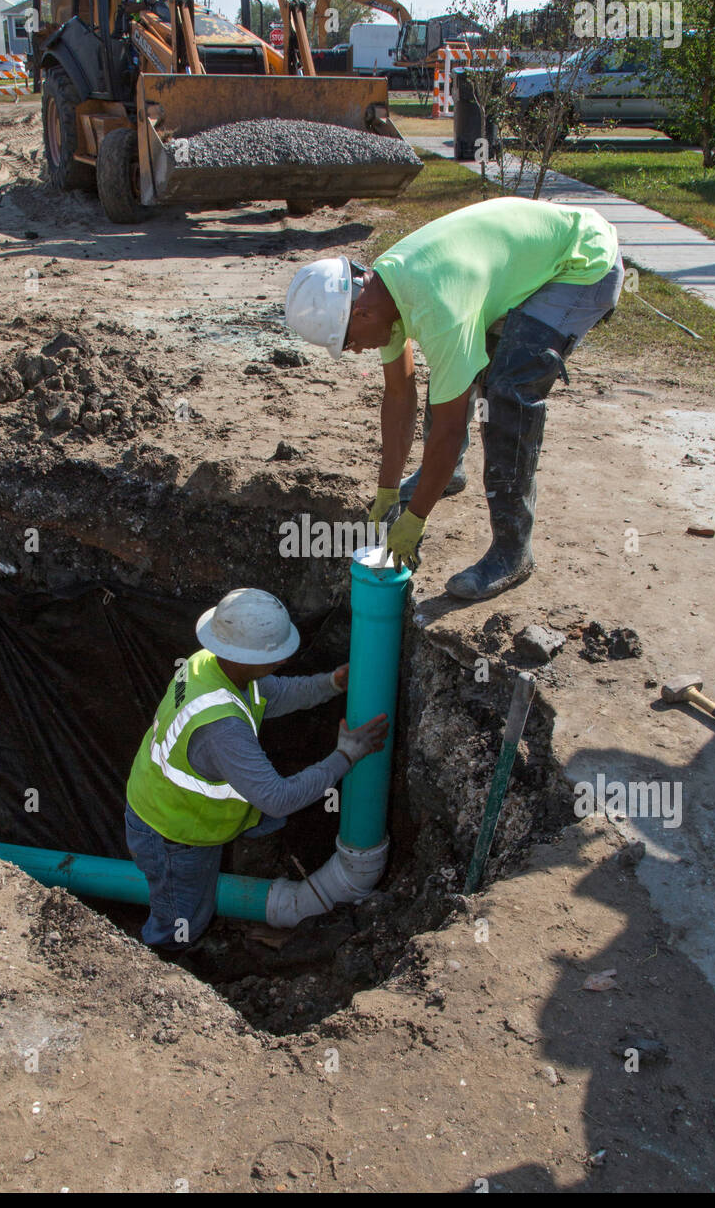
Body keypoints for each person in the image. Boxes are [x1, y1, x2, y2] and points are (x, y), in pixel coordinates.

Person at [284, 196, 624, 601]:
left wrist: (415, 519)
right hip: (519, 260)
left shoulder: (439, 306)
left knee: (507, 392)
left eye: (350, 343)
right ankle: (452, 474)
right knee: (456, 373)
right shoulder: (384, 290)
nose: (356, 351)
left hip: (580, 262)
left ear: (361, 314)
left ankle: (512, 553)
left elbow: (447, 426)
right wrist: (387, 492)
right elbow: (399, 397)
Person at [124, 588, 388, 952]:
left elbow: (275, 694)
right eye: (274, 656)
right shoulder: (222, 729)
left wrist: (331, 684)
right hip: (173, 835)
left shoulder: (209, 663)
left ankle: (256, 866)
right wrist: (346, 756)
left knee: (266, 821)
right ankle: (158, 972)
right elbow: (277, 798)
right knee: (181, 920)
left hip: (165, 806)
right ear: (241, 655)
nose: (282, 661)